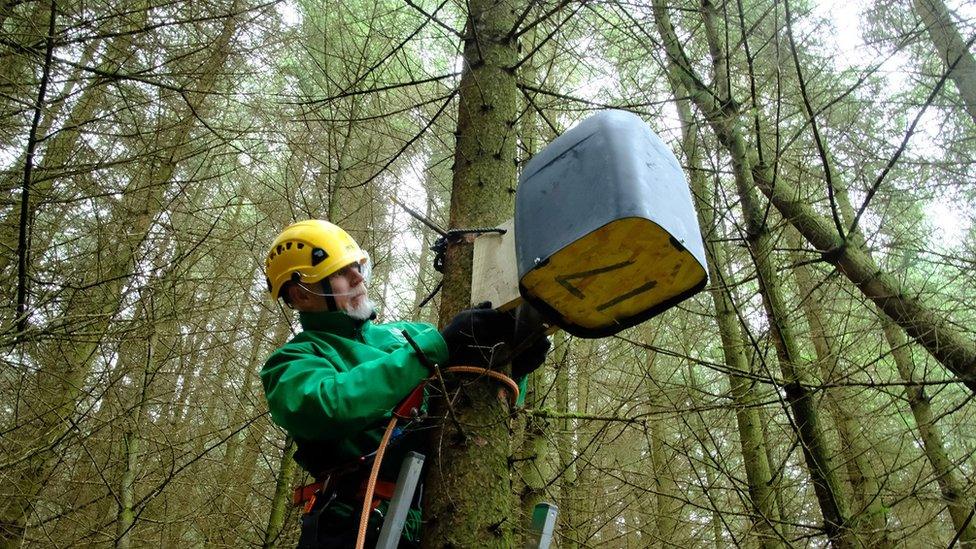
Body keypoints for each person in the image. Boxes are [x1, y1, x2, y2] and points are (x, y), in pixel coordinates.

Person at [260, 219, 548, 548]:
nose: (358, 278)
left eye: (357, 267)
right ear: (301, 294)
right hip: (357, 523)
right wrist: (435, 350)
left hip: (437, 518)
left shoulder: (410, 335)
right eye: (341, 272)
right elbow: (328, 404)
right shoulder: (294, 361)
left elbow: (479, 409)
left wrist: (514, 370)